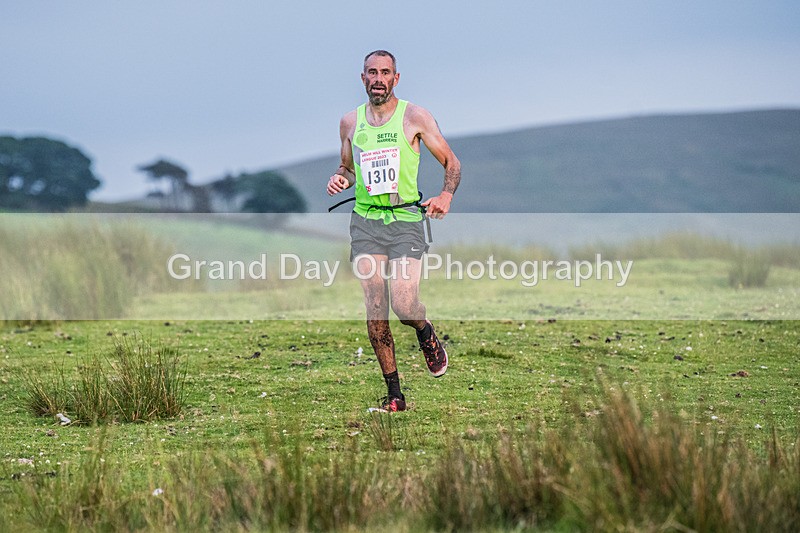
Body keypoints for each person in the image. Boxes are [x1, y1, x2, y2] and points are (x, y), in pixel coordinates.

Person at [327, 50, 461, 412]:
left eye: (385, 72)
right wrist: (341, 178)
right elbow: (348, 168)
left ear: (396, 78)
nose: (378, 78)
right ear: (363, 78)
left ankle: (424, 329)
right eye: (372, 72)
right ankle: (395, 395)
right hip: (366, 221)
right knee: (375, 308)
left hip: (405, 221)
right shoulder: (349, 123)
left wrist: (446, 195)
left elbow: (451, 161)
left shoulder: (415, 117)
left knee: (403, 304)